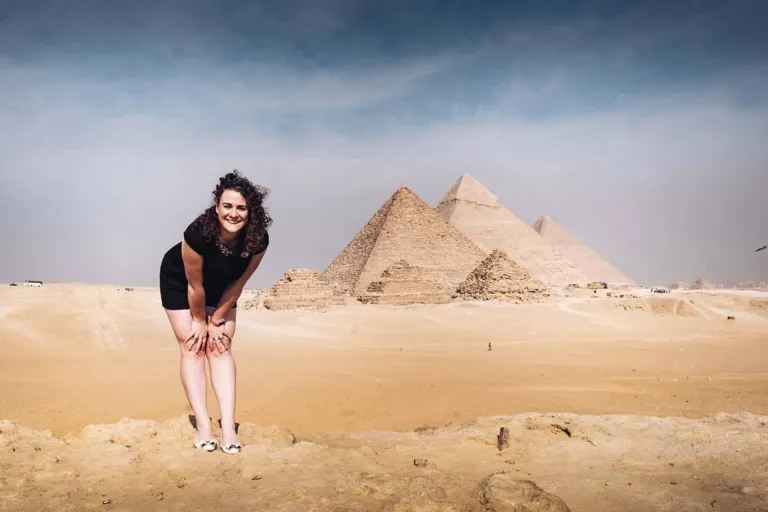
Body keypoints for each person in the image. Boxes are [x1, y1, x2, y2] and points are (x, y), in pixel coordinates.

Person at [159, 170, 271, 454]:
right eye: (227, 206)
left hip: (224, 286)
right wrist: (199, 321)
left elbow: (240, 282)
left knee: (220, 346)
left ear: (251, 212)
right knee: (193, 345)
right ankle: (204, 425)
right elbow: (195, 285)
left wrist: (217, 318)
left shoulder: (258, 239)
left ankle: (229, 426)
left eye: (242, 208)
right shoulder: (198, 234)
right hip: (180, 280)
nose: (233, 214)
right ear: (217, 206)